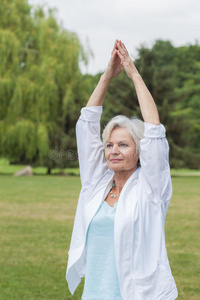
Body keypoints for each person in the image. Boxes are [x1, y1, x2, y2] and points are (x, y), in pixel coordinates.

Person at [66, 40, 178, 300]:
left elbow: (154, 132)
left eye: (124, 144)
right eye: (109, 145)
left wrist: (133, 74)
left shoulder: (151, 190)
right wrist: (107, 76)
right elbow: (86, 125)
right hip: (94, 294)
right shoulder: (96, 185)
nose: (114, 150)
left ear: (140, 151)